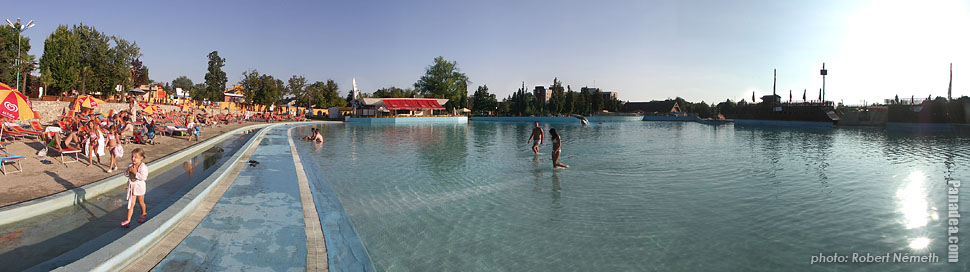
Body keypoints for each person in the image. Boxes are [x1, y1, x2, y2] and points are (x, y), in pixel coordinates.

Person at [121, 148, 148, 227]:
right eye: (132, 157)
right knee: (131, 204)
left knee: (141, 202)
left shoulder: (143, 167)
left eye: (136, 157)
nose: (133, 159)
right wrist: (127, 172)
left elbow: (143, 177)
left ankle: (144, 214)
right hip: (132, 186)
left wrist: (135, 172)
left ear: (141, 158)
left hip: (139, 186)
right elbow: (126, 174)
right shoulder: (131, 165)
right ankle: (128, 220)